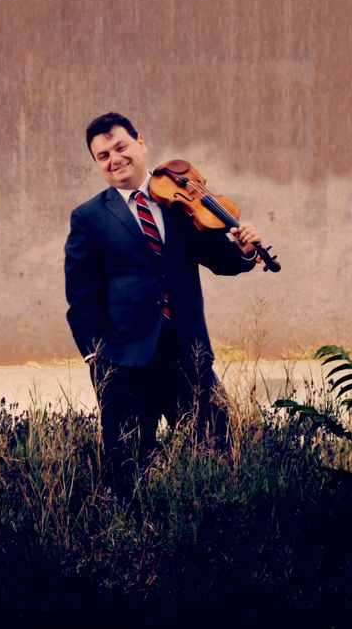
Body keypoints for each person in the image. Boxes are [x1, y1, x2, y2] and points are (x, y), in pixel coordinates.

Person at [65, 112, 263, 497]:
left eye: (120, 147)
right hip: (125, 361)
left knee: (218, 454)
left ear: (141, 143)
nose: (115, 159)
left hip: (188, 351)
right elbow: (81, 296)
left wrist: (244, 253)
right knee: (128, 471)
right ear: (97, 163)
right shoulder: (88, 217)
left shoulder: (178, 205)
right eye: (103, 155)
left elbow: (219, 260)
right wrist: (96, 359)